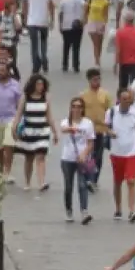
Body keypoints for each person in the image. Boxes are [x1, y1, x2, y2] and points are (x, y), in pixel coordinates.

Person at [102, 89, 135, 223]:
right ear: (119, 99)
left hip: (131, 152)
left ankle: (132, 210)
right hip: (116, 152)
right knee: (118, 181)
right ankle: (118, 208)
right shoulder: (112, 112)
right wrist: (110, 132)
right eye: (124, 99)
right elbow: (106, 127)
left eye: (128, 99)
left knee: (131, 180)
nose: (126, 101)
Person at [56, 96, 98, 224]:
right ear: (70, 108)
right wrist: (71, 128)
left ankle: (84, 211)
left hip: (83, 159)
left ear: (83, 108)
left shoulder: (88, 123)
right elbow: (63, 129)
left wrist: (84, 154)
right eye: (74, 106)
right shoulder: (66, 121)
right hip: (67, 158)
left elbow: (91, 143)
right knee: (68, 186)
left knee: (82, 185)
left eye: (79, 106)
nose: (76, 109)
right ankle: (69, 210)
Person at [14, 78, 52, 193]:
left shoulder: (46, 98)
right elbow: (18, 114)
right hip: (29, 131)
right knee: (29, 158)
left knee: (41, 156)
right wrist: (14, 128)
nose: (40, 86)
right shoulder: (25, 97)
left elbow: (49, 115)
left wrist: (55, 131)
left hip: (42, 131)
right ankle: (27, 182)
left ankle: (41, 183)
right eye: (38, 84)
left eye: (42, 84)